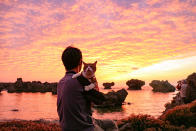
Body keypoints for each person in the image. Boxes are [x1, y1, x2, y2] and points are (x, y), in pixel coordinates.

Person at [57, 46, 118, 131]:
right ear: (80, 62)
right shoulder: (80, 79)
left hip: (66, 127)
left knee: (110, 123)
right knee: (112, 126)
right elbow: (98, 101)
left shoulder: (60, 82)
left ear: (64, 63)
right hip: (84, 127)